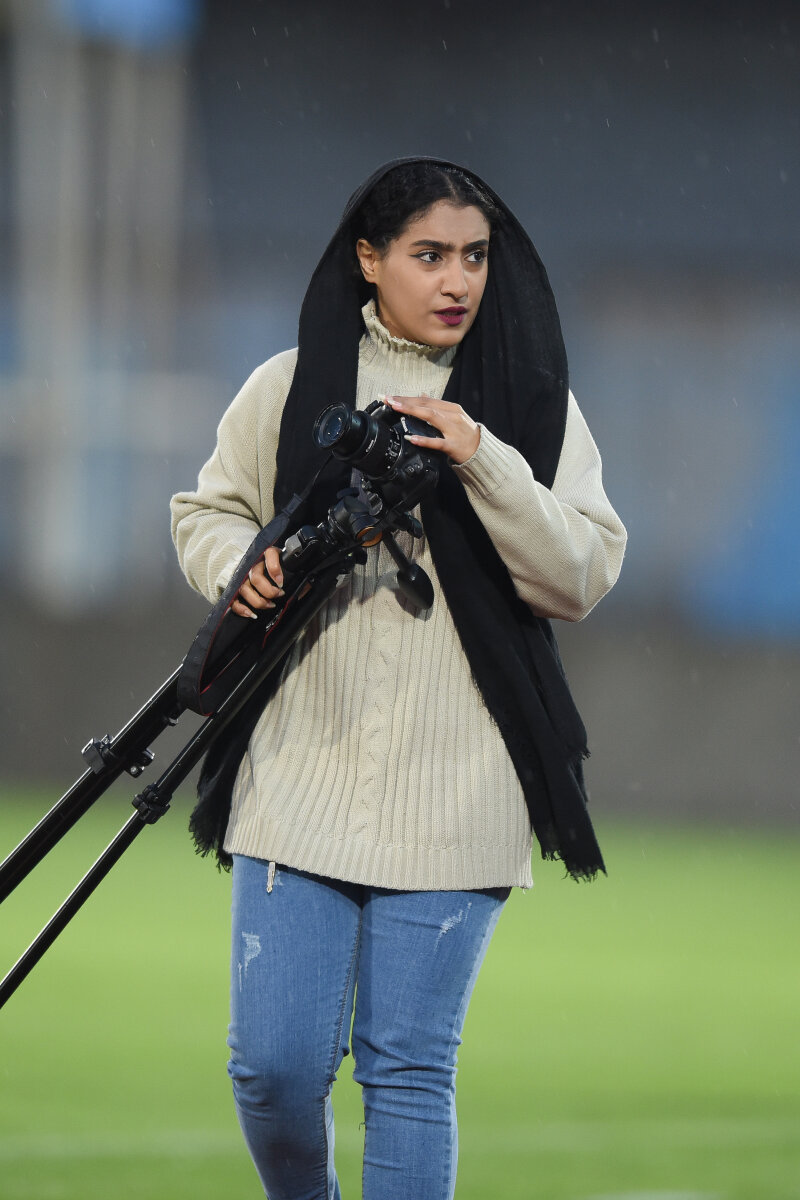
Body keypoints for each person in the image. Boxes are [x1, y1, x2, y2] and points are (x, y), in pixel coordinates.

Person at [170, 157, 626, 1200]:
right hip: (298, 766)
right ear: (369, 260)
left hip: (461, 782)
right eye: (429, 255)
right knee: (273, 1070)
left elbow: (582, 574)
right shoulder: (289, 386)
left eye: (474, 256)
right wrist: (242, 569)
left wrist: (483, 457)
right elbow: (208, 512)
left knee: (409, 1072)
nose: (457, 280)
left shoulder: (532, 405)